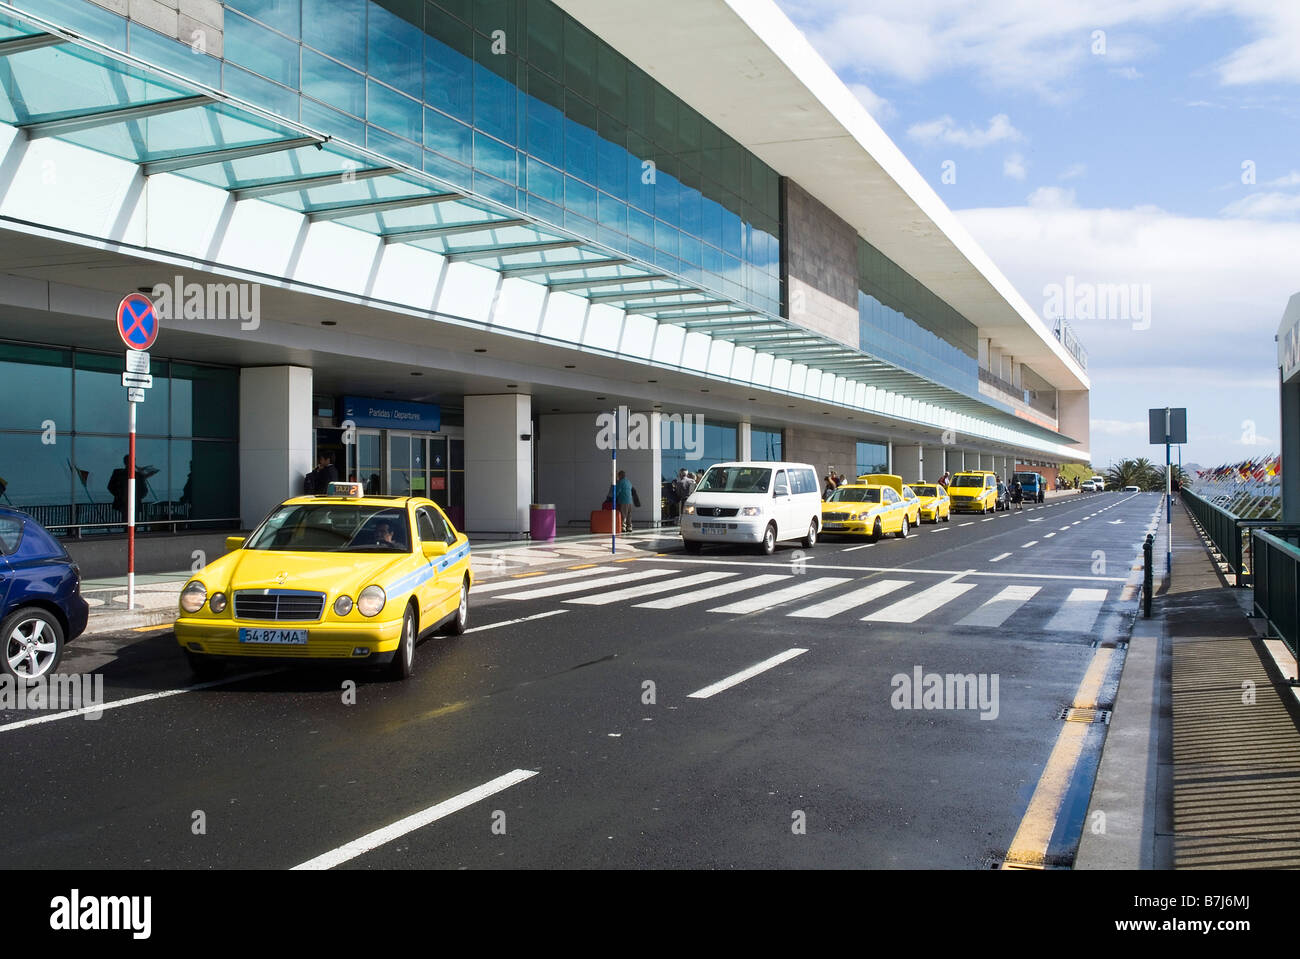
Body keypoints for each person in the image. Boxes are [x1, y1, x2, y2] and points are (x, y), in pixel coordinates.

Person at [107, 455, 149, 523]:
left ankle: (130, 531)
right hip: (127, 503)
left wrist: (120, 495)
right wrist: (120, 496)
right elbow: (144, 490)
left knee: (130, 523)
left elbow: (144, 490)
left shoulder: (137, 475)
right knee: (130, 522)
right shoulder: (137, 475)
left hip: (130, 502)